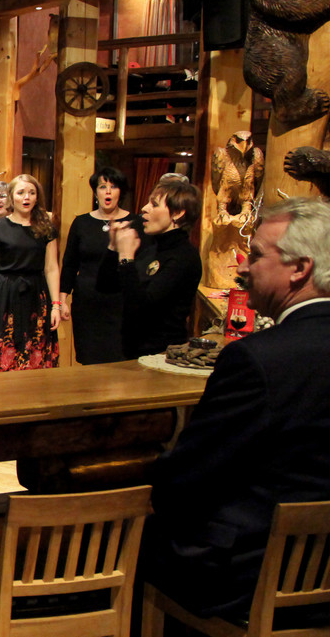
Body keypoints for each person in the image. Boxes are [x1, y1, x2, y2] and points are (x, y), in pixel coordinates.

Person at [143, 196, 330, 619]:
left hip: (251, 577)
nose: (242, 268)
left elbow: (187, 478)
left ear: (300, 269)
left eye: (257, 255)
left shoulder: (258, 359)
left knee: (119, 539)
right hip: (319, 572)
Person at [0, 174, 60, 373]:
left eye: (31, 193)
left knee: (35, 353)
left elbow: (51, 268)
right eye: (21, 193)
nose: (26, 197)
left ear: (37, 197)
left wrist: (56, 306)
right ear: (11, 197)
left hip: (36, 295)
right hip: (5, 294)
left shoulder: (46, 228)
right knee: (1, 353)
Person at [103, 177, 202, 358]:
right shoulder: (152, 247)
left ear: (177, 213)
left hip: (161, 355)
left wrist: (126, 257)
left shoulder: (183, 256)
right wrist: (113, 247)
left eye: (154, 204)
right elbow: (106, 286)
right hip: (131, 351)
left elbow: (141, 306)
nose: (144, 208)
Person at [59, 167, 143, 364]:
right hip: (87, 302)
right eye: (102, 187)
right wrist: (62, 299)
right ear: (95, 192)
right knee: (89, 357)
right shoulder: (81, 223)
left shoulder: (135, 222)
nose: (108, 191)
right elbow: (70, 264)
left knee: (121, 357)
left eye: (113, 187)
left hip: (121, 301)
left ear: (120, 192)